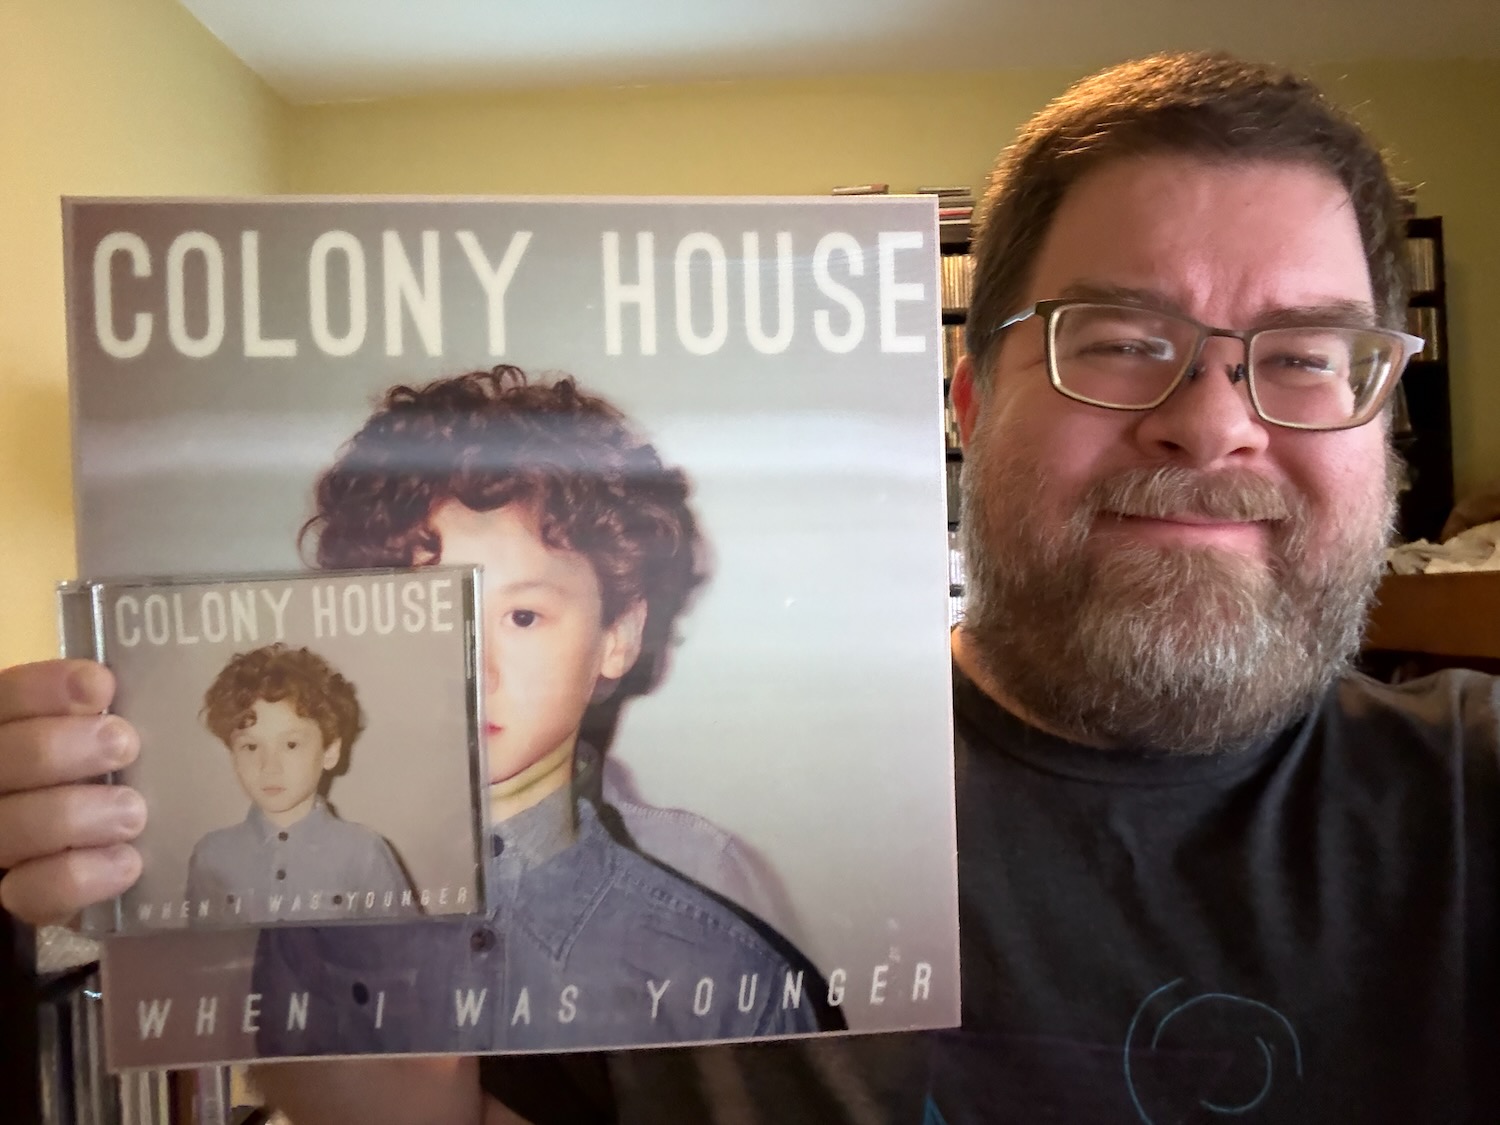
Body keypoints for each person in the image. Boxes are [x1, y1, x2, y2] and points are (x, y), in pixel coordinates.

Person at [1, 48, 1497, 1123]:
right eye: (1115, 336)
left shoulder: (1471, 788)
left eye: (1305, 355)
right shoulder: (723, 871)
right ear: (967, 401)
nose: (1215, 416)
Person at [247, 367, 835, 1056]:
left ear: (617, 636)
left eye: (523, 616)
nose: (474, 668)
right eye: (429, 614)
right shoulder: (300, 933)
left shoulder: (726, 968)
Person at [185, 642, 415, 925]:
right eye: (250, 748)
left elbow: (403, 954)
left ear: (330, 751)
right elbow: (202, 959)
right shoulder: (211, 856)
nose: (270, 767)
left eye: (291, 745)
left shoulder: (364, 854)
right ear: (232, 754)